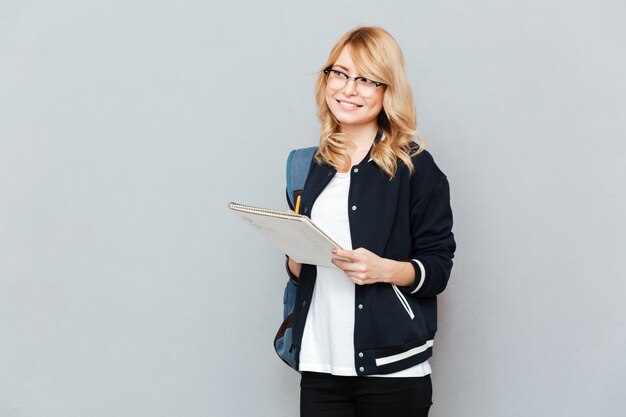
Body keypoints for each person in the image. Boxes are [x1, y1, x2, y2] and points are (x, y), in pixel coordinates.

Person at [285, 26, 456, 417]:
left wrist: (383, 269)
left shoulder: (415, 167)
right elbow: (301, 271)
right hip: (319, 363)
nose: (348, 89)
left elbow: (439, 269)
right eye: (340, 73)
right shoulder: (305, 166)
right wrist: (296, 258)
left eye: (365, 79)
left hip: (392, 370)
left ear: (387, 89)